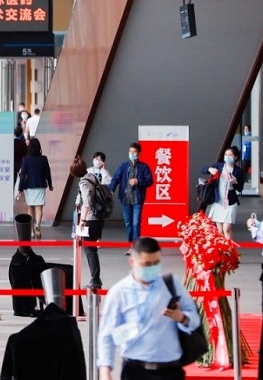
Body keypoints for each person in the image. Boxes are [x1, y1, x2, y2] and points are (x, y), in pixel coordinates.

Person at [97, 237, 200, 380]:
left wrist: (182, 318)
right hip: (135, 370)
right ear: (132, 262)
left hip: (170, 370)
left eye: (156, 263)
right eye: (147, 264)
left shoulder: (171, 284)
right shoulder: (119, 292)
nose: (152, 268)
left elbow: (195, 320)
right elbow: (107, 334)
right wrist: (105, 370)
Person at [108, 142, 153, 245]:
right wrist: (111, 190)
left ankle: (136, 245)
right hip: (125, 199)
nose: (132, 154)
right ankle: (130, 244)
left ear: (139, 153)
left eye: (134, 152)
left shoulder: (144, 167)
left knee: (136, 223)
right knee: (128, 223)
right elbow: (115, 179)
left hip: (138, 199)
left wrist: (138, 181)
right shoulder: (123, 166)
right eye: (130, 151)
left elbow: (149, 181)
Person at [72, 156, 104, 289]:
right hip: (99, 218)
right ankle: (95, 278)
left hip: (90, 219)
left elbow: (87, 204)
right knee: (92, 249)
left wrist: (83, 221)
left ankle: (95, 280)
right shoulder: (92, 176)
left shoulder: (84, 183)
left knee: (90, 250)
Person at [201, 146, 246, 240]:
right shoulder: (219, 166)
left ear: (236, 157)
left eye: (230, 155)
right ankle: (223, 251)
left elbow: (240, 189)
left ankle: (230, 252)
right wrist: (209, 169)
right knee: (220, 231)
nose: (227, 157)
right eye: (226, 155)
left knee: (227, 229)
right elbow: (203, 169)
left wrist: (235, 182)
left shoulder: (239, 171)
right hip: (219, 201)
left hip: (231, 202)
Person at [17, 138, 53, 240]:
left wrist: (20, 189)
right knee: (39, 208)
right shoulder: (43, 159)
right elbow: (47, 173)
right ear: (39, 148)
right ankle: (38, 225)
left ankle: (31, 231)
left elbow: (23, 174)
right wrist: (50, 185)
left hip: (29, 186)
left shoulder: (26, 159)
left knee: (30, 208)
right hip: (40, 185)